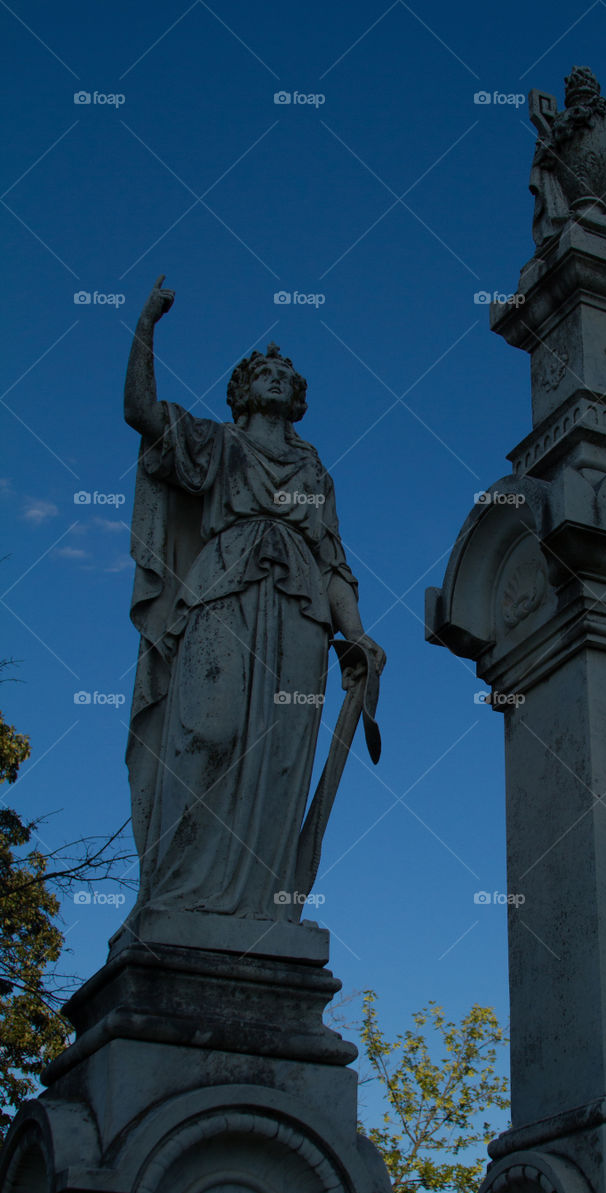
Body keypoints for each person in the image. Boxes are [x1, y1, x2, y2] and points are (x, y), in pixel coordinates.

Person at [123, 276, 384, 919]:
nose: (276, 377)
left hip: (300, 611)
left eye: (284, 374)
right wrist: (146, 326)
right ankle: (175, 890)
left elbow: (333, 563)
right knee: (207, 731)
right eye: (263, 371)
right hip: (222, 590)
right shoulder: (216, 443)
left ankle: (261, 906)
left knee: (278, 755)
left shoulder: (315, 470)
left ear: (296, 398)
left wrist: (355, 633)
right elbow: (140, 413)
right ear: (243, 391)